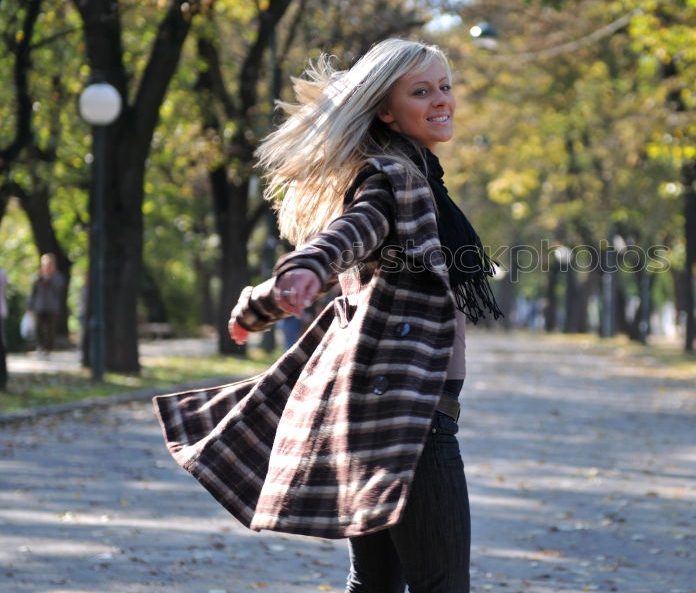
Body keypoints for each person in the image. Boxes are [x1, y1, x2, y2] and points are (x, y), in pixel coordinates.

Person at [153, 38, 502, 593]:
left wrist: (263, 302)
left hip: (373, 412)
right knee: (440, 584)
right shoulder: (394, 178)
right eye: (421, 91)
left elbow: (343, 249)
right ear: (386, 110)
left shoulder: (411, 173)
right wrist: (307, 267)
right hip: (409, 417)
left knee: (375, 582)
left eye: (444, 86)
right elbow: (352, 230)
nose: (442, 100)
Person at [27, 253, 65, 356]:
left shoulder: (58, 277)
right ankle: (40, 347)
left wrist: (50, 279)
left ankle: (48, 349)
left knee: (50, 329)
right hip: (39, 306)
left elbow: (59, 290)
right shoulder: (38, 276)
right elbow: (33, 292)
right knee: (38, 328)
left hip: (52, 307)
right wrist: (29, 305)